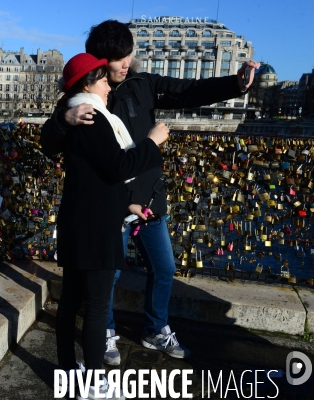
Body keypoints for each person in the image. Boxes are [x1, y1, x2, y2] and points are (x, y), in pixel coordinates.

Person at [42, 20, 260, 366]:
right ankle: (106, 335)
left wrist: (235, 83)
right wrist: (63, 119)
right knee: (105, 281)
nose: (125, 63)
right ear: (98, 62)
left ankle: (155, 327)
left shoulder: (142, 83)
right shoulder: (86, 101)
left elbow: (188, 90)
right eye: (116, 58)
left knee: (164, 267)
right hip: (112, 206)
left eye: (128, 54)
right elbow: (50, 143)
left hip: (148, 198)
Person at [55, 52, 169, 400]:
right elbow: (119, 166)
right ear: (89, 84)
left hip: (78, 223)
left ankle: (66, 370)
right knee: (96, 307)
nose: (109, 85)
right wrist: (152, 141)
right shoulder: (94, 118)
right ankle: (93, 383)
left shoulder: (80, 115)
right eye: (104, 80)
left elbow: (97, 178)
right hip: (96, 230)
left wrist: (128, 203)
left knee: (71, 302)